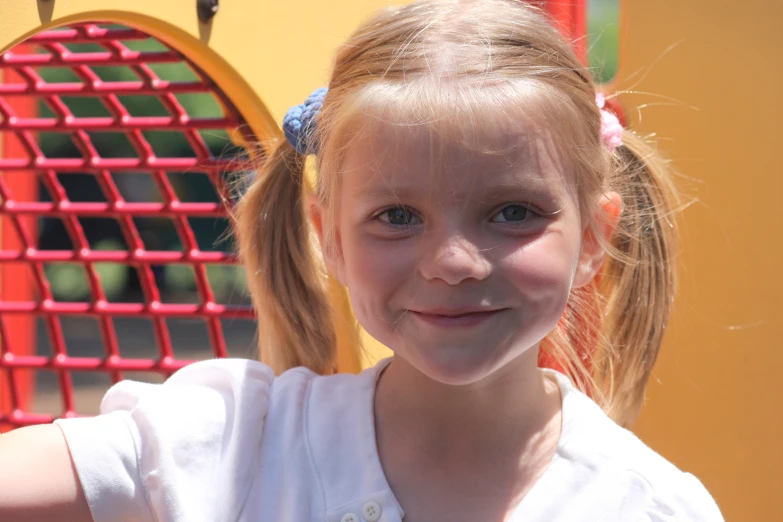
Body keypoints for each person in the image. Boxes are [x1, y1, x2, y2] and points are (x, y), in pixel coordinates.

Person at [0, 1, 724, 520]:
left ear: (594, 236)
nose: (452, 262)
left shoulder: (647, 504)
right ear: (331, 239)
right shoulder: (228, 443)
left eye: (512, 213)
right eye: (396, 217)